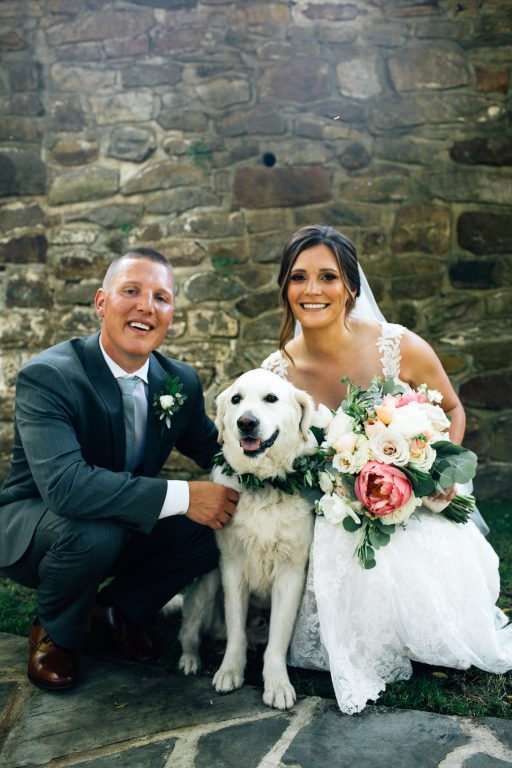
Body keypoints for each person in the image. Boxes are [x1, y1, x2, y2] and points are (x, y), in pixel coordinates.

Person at [262, 224, 512, 714]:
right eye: (298, 278)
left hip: (409, 500)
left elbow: (455, 410)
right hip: (330, 509)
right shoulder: (277, 373)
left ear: (351, 287)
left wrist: (430, 475)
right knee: (337, 541)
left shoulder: (396, 346)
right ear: (285, 288)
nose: (312, 290)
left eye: (328, 277)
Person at [0, 247, 238, 691]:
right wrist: (186, 496)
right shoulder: (48, 376)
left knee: (220, 520)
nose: (147, 306)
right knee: (94, 533)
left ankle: (116, 611)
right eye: (131, 291)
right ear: (101, 302)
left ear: (170, 313)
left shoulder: (179, 382)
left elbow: (217, 454)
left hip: (122, 518)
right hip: (39, 526)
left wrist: (287, 469)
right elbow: (66, 489)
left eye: (161, 297)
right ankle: (55, 632)